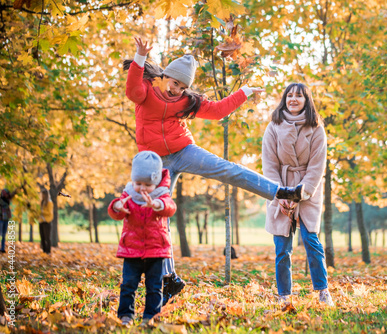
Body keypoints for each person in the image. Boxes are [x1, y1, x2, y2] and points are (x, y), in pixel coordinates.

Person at [124, 37, 305, 304]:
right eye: (174, 83)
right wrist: (140, 57)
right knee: (156, 215)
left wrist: (243, 92)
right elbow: (131, 90)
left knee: (227, 169)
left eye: (183, 87)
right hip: (155, 162)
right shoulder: (145, 92)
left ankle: (281, 192)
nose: (177, 90)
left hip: (184, 151)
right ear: (164, 77)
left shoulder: (185, 101)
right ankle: (169, 279)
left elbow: (218, 111)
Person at [262, 83, 333, 306]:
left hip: (307, 190)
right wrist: (280, 194)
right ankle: (284, 295)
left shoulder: (316, 128)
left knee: (312, 241)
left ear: (306, 100)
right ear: (284, 99)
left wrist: (301, 193)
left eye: (299, 96)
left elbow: (317, 165)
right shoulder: (273, 126)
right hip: (280, 186)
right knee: (282, 247)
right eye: (289, 95)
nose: (294, 99)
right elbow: (270, 163)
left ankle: (323, 291)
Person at [108, 151, 177, 327]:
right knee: (128, 284)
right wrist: (117, 206)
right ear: (133, 180)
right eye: (138, 183)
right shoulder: (129, 195)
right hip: (132, 249)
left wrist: (156, 205)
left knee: (154, 287)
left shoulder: (161, 195)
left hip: (156, 250)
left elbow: (170, 207)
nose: (142, 188)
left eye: (147, 184)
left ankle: (150, 317)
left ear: (155, 182)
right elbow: (116, 213)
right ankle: (126, 316)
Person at [0, 188, 17, 253]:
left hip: (6, 219)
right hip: (1, 219)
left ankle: (2, 248)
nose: (7, 195)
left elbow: (13, 194)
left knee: (3, 234)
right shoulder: (1, 200)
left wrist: (17, 189)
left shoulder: (7, 200)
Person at [38, 189, 54, 254]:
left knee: (47, 237)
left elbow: (50, 212)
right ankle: (44, 251)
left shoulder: (49, 202)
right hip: (41, 221)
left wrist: (42, 212)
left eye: (43, 195)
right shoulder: (42, 202)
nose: (42, 196)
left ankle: (48, 251)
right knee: (42, 237)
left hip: (47, 221)